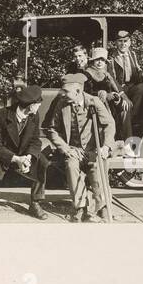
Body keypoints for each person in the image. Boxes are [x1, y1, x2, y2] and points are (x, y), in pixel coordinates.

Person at [42, 73, 116, 223]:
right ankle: (80, 207)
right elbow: (52, 129)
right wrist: (64, 147)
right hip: (74, 150)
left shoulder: (93, 102)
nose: (63, 94)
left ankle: (102, 207)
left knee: (96, 170)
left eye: (66, 91)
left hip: (94, 149)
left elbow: (109, 124)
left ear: (78, 91)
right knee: (71, 165)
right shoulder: (62, 103)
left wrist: (106, 146)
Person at [0, 84, 50, 222]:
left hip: (21, 154)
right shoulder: (1, 115)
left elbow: (35, 141)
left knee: (42, 161)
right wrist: (16, 159)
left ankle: (35, 203)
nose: (39, 106)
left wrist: (28, 157)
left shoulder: (34, 116)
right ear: (31, 105)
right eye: (38, 103)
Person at [84, 47, 133, 139]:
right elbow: (87, 91)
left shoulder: (106, 74)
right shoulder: (88, 74)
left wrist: (117, 97)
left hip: (110, 105)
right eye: (97, 60)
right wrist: (103, 94)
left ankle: (125, 141)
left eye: (102, 60)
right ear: (92, 61)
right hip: (95, 105)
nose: (99, 62)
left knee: (124, 109)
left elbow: (115, 89)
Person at [109, 30, 143, 113]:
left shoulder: (132, 54)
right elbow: (112, 78)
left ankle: (134, 117)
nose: (123, 44)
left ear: (129, 42)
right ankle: (127, 120)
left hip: (132, 86)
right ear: (116, 43)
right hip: (119, 88)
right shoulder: (111, 57)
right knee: (124, 106)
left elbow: (137, 71)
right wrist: (123, 95)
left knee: (142, 87)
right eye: (120, 41)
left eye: (125, 41)